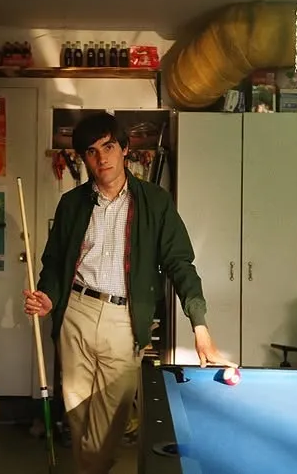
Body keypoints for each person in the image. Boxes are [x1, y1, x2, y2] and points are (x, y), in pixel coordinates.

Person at [23, 112, 236, 474]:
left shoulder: (155, 201)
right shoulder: (72, 203)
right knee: (78, 418)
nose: (101, 158)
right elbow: (55, 262)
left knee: (107, 426)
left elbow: (180, 263)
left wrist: (199, 325)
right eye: (91, 152)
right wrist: (48, 296)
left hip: (124, 321)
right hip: (75, 313)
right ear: (84, 158)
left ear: (124, 149)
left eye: (108, 147)